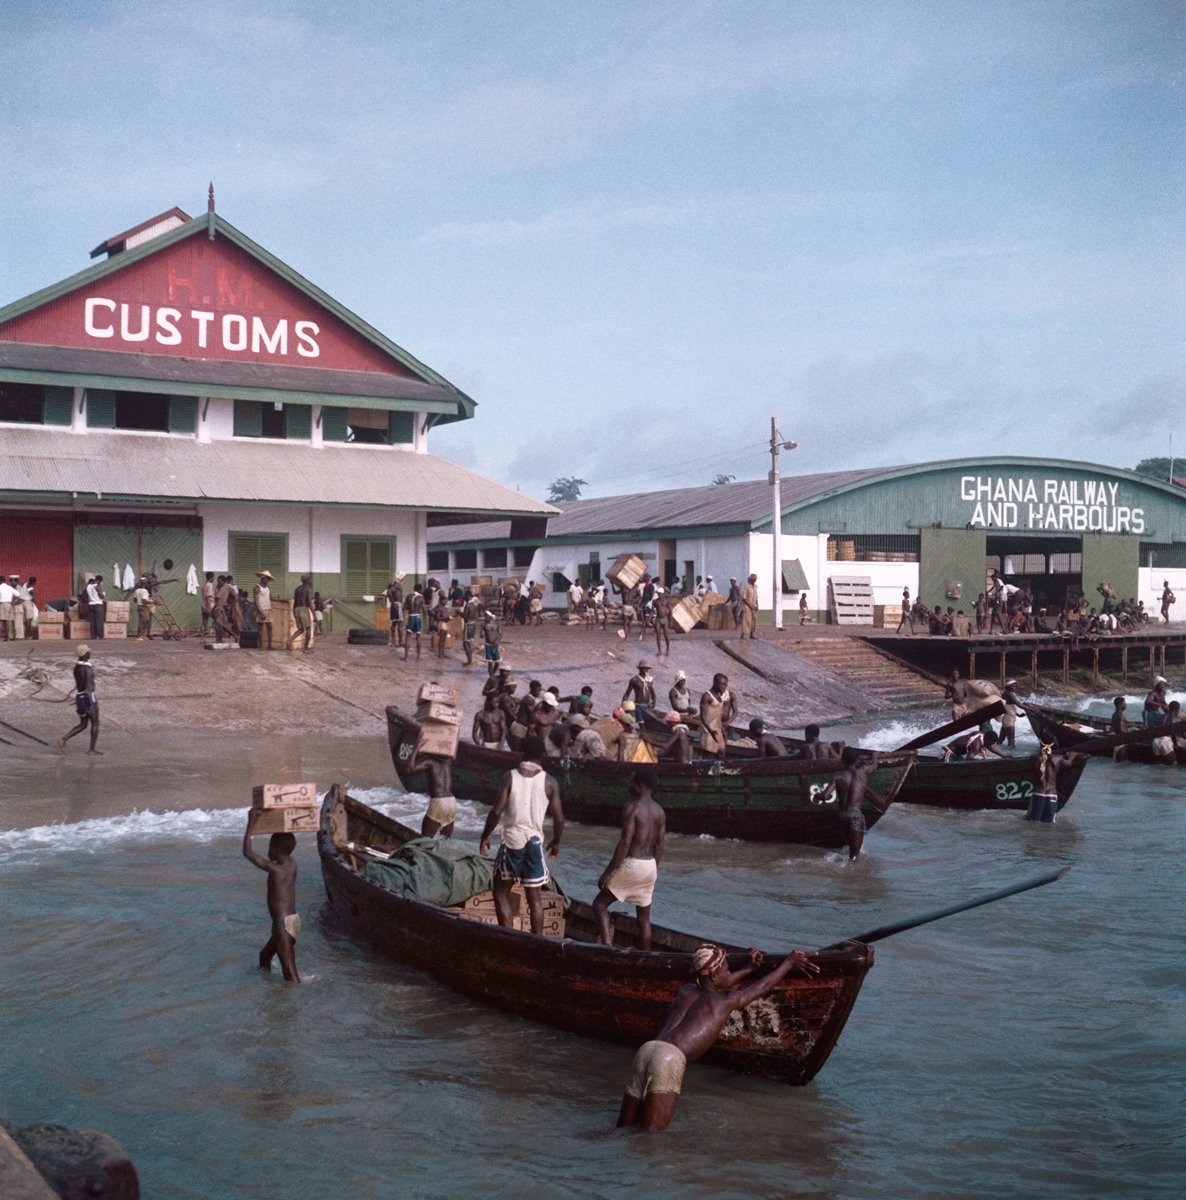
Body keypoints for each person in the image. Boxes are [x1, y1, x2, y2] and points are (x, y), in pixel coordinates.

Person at [617, 943, 820, 1132]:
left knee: (623, 1130)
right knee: (651, 1138)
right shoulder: (725, 1000)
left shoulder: (685, 991)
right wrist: (789, 963)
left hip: (647, 1050)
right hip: (669, 1059)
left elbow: (713, 983)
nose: (730, 973)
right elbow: (762, 987)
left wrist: (749, 969)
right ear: (714, 976)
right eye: (726, 968)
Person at [479, 736, 564, 935]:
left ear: (522, 754)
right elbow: (559, 819)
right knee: (534, 898)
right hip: (535, 843)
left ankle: (508, 937)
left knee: (500, 892)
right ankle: (538, 941)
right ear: (542, 755)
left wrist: (485, 835)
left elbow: (496, 812)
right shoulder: (550, 782)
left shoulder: (510, 777)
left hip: (512, 842)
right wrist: (556, 842)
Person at [593, 766, 666, 950]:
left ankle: (607, 947)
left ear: (640, 785)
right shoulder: (660, 812)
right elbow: (659, 846)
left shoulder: (632, 808)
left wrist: (607, 874)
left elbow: (625, 844)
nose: (629, 785)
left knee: (600, 904)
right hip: (650, 865)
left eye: (631, 781)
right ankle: (645, 958)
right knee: (644, 920)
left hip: (634, 863)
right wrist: (653, 871)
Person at [242, 811, 300, 982]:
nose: (268, 849)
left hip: (282, 925)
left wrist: (251, 822)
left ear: (277, 850)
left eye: (270, 846)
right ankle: (267, 987)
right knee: (264, 957)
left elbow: (247, 852)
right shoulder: (292, 865)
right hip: (294, 921)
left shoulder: (276, 870)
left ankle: (296, 1005)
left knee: (290, 975)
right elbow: (288, 843)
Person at [819, 747, 880, 861]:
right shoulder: (863, 772)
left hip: (842, 816)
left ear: (842, 760)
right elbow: (875, 764)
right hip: (855, 816)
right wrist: (874, 755)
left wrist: (817, 796)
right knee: (854, 856)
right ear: (857, 760)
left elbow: (825, 796)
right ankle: (851, 877)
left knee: (850, 848)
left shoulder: (837, 775)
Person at [407, 742, 458, 839]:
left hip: (439, 802)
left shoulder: (429, 761)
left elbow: (410, 768)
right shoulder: (448, 761)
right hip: (452, 802)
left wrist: (416, 749)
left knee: (424, 840)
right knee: (445, 842)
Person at [58, 643, 102, 755]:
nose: (90, 653)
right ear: (86, 654)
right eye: (88, 652)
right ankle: (91, 750)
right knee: (95, 723)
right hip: (88, 697)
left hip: (79, 697)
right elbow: (88, 689)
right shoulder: (88, 669)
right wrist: (90, 705)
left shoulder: (77, 668)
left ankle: (64, 739)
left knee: (83, 724)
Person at [1028, 744, 1085, 823]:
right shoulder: (1058, 759)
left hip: (1038, 793)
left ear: (1041, 746)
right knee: (1049, 824)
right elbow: (1069, 763)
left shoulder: (1034, 758)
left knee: (1032, 822)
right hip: (1052, 795)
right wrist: (1072, 755)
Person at [698, 673, 735, 758]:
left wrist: (722, 730)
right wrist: (709, 730)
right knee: (709, 754)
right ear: (715, 683)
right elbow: (702, 715)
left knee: (722, 753)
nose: (724, 687)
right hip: (708, 731)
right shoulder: (707, 696)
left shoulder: (720, 696)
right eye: (722, 684)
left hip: (717, 730)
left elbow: (718, 716)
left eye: (725, 684)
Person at [623, 660, 657, 725]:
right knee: (641, 724)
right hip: (638, 706)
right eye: (644, 668)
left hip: (648, 706)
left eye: (647, 669)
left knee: (648, 724)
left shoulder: (650, 680)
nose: (646, 670)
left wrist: (654, 702)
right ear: (640, 669)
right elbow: (627, 693)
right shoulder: (634, 680)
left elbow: (652, 691)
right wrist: (624, 706)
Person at [941, 729, 1008, 761]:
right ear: (987, 740)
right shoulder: (976, 745)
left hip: (955, 755)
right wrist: (980, 761)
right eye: (990, 743)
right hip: (947, 753)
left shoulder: (981, 734)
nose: (990, 746)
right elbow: (969, 759)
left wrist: (1003, 755)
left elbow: (991, 747)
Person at [287, 574, 314, 651]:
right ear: (308, 581)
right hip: (303, 609)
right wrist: (314, 615)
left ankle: (289, 640)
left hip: (296, 609)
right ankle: (306, 647)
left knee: (301, 629)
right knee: (308, 628)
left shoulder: (297, 589)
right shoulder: (308, 589)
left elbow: (295, 602)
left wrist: (293, 612)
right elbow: (309, 603)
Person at [999, 679, 1025, 748]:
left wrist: (1018, 715)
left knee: (1000, 740)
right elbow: (1019, 705)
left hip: (1008, 718)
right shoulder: (1009, 694)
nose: (1015, 687)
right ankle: (1012, 756)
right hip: (1009, 721)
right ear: (1008, 686)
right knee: (1011, 741)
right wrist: (1033, 709)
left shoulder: (1006, 693)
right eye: (1013, 686)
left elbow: (1008, 707)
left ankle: (998, 752)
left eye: (1015, 686)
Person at [253, 570, 274, 650]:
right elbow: (256, 601)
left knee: (270, 627)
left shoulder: (268, 588)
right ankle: (260, 646)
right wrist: (261, 611)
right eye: (266, 578)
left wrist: (281, 600)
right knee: (261, 628)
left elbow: (271, 598)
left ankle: (270, 645)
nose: (267, 580)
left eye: (268, 579)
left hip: (268, 609)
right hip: (261, 609)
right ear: (262, 578)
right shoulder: (257, 588)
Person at [404, 586, 426, 660]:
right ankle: (418, 657)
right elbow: (423, 610)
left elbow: (404, 608)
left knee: (408, 637)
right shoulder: (421, 598)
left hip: (411, 617)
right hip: (418, 618)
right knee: (418, 637)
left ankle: (406, 657)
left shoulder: (409, 596)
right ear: (419, 589)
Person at [386, 577, 405, 648]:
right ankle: (400, 642)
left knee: (394, 624)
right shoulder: (397, 584)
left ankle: (393, 642)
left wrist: (393, 602)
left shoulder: (397, 584)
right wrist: (393, 602)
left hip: (396, 606)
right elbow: (389, 592)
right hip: (397, 606)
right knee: (400, 624)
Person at [85, 574, 106, 640]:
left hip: (91, 604)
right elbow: (101, 596)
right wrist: (102, 593)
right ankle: (99, 636)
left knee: (92, 621)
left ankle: (93, 636)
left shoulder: (88, 586)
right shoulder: (97, 586)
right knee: (99, 621)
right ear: (99, 580)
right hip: (98, 604)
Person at [652, 587, 672, 656]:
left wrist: (670, 621)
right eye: (658, 593)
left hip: (665, 619)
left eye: (660, 593)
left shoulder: (666, 601)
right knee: (658, 635)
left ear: (663, 593)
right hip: (658, 619)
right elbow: (652, 611)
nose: (659, 595)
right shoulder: (655, 601)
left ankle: (667, 650)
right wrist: (648, 619)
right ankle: (659, 650)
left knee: (666, 635)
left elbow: (670, 611)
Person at [482, 611, 502, 675]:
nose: (485, 617)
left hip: (495, 645)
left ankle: (492, 674)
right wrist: (481, 633)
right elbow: (481, 636)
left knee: (497, 663)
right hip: (488, 645)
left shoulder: (497, 624)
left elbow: (500, 635)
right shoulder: (484, 625)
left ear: (490, 617)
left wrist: (497, 640)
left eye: (486, 616)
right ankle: (491, 676)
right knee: (490, 663)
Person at [738, 573, 759, 639]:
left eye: (755, 579)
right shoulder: (746, 587)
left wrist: (757, 605)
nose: (754, 581)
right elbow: (744, 598)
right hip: (747, 606)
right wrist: (750, 605)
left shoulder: (755, 587)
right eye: (753, 579)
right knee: (747, 621)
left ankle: (751, 635)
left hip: (754, 606)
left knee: (754, 621)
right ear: (750, 580)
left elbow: (756, 597)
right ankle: (743, 635)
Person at [201, 571, 217, 637]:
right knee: (217, 618)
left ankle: (204, 632)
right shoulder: (210, 585)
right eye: (213, 577)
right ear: (211, 577)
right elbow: (209, 596)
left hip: (204, 605)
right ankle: (211, 630)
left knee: (205, 619)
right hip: (210, 605)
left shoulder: (204, 585)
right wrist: (210, 607)